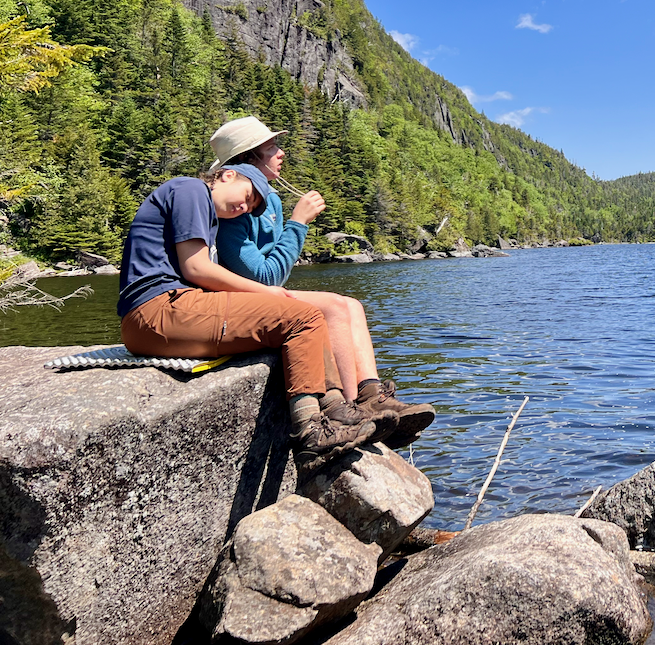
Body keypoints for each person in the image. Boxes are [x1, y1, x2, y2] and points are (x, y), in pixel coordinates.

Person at [117, 164, 377, 472]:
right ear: (227, 175)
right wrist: (265, 292)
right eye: (248, 195)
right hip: (158, 309)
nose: (244, 206)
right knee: (302, 318)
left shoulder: (207, 216)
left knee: (307, 314)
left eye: (251, 206)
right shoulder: (190, 190)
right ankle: (311, 435)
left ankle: (335, 410)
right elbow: (196, 269)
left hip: (165, 314)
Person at [208, 116, 435, 449]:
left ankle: (373, 395)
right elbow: (264, 276)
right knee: (334, 308)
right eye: (272, 148)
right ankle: (350, 409)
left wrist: (293, 222)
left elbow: (274, 273)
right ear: (248, 160)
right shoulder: (235, 210)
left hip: (261, 294)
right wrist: (298, 223)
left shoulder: (268, 199)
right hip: (243, 298)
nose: (281, 153)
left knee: (352, 305)